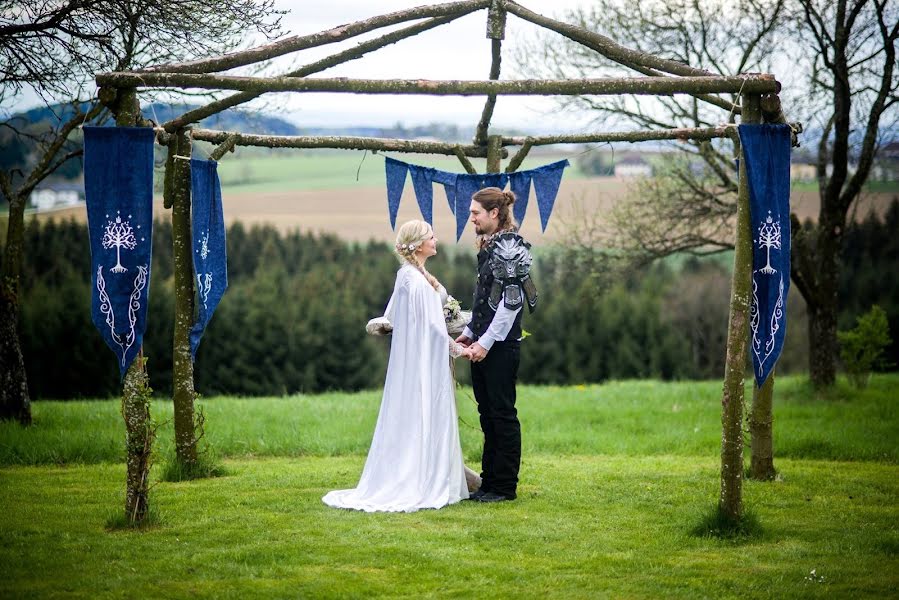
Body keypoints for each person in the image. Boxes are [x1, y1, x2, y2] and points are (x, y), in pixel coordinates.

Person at [323, 220, 473, 512]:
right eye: (432, 236)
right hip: (424, 360)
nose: (436, 239)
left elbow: (418, 316)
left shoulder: (416, 274)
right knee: (422, 410)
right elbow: (430, 327)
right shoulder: (411, 279)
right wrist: (458, 350)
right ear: (418, 244)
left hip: (430, 357)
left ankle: (442, 475)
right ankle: (420, 479)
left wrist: (467, 319)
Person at [455, 187, 537, 503]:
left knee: (501, 414)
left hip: (501, 348)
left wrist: (486, 343)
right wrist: (472, 333)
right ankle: (489, 485)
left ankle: (504, 487)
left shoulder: (509, 246)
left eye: (476, 213)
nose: (471, 218)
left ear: (494, 213)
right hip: (486, 344)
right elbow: (486, 300)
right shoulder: (491, 246)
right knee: (487, 414)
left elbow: (510, 304)